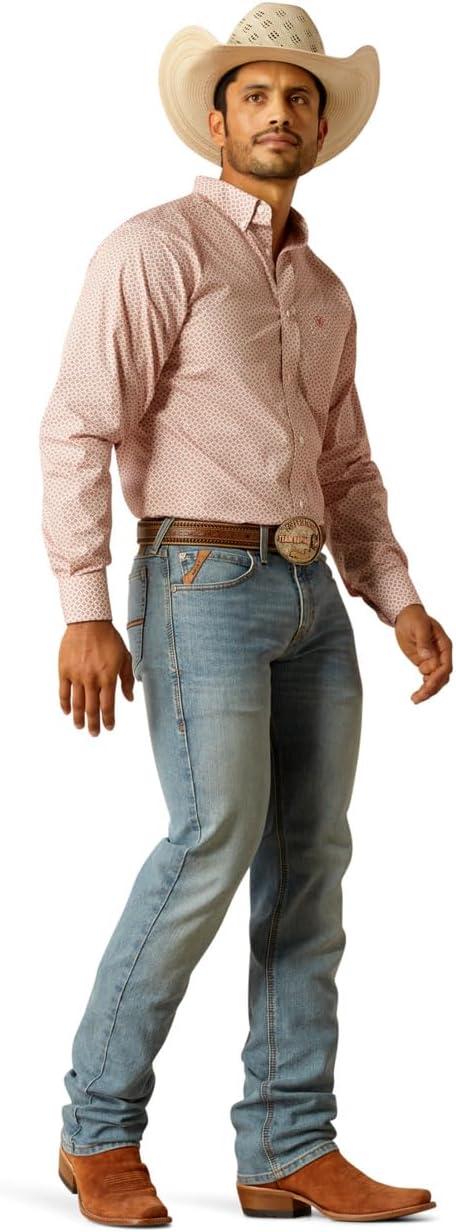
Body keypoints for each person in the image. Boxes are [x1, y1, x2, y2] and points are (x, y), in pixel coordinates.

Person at [39, 4, 451, 1225]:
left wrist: (399, 598)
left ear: (321, 127)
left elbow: (348, 467)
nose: (280, 113)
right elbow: (78, 425)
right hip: (197, 584)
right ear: (216, 122)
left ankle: (288, 1141)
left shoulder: (325, 290)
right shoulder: (155, 247)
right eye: (257, 95)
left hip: (314, 595)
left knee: (313, 858)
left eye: (300, 97)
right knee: (212, 838)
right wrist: (81, 604)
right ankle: (95, 1128)